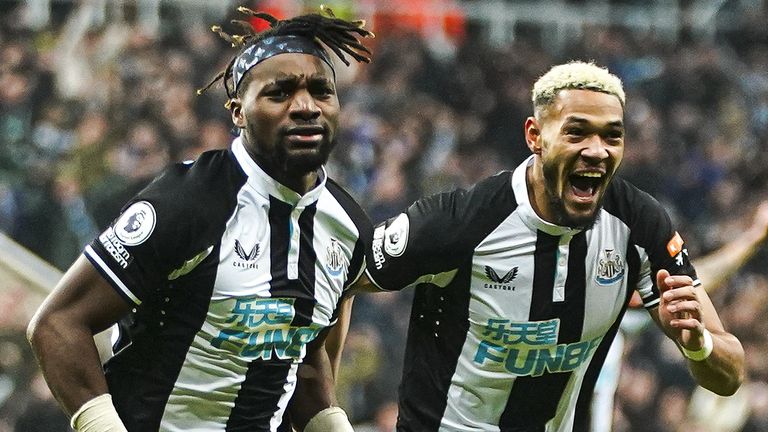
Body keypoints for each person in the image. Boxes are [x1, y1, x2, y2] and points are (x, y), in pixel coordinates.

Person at [26, 6, 373, 432]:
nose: (306, 107)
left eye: (322, 91)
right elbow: (58, 323)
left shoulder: (349, 227)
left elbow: (305, 361)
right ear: (238, 112)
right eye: (279, 93)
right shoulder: (186, 203)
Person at [357, 61, 745, 431]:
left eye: (612, 135)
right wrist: (322, 405)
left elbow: (730, 374)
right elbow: (340, 274)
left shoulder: (638, 224)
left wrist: (698, 346)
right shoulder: (462, 221)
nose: (597, 150)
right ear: (535, 136)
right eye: (577, 132)